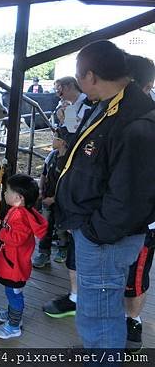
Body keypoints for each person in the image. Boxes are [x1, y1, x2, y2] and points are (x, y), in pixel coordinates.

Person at [54, 40, 155, 351]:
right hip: (97, 232)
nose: (81, 86)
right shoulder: (111, 106)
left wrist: (95, 233)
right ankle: (99, 350)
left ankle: (101, 354)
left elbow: (131, 196)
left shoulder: (136, 123)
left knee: (99, 311)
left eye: (80, 78)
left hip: (104, 238)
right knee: (97, 307)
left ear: (91, 76)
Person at [0, 174, 47, 339]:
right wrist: (0, 227)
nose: (4, 193)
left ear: (19, 198)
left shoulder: (20, 215)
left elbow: (17, 238)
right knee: (11, 293)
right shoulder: (18, 210)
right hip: (11, 264)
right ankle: (12, 315)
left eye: (7, 191)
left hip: (15, 267)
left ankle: (14, 325)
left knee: (14, 295)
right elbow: (12, 231)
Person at [123, 53, 155, 351]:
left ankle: (133, 320)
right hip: (114, 217)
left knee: (135, 275)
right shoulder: (110, 116)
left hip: (143, 221)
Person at [32, 128, 69, 268]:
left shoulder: (69, 160)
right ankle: (44, 253)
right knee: (45, 226)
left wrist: (54, 199)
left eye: (55, 138)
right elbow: (44, 173)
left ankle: (63, 249)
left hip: (61, 200)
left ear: (62, 142)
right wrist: (41, 189)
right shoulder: (52, 155)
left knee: (61, 226)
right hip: (47, 197)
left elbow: (68, 184)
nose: (52, 140)